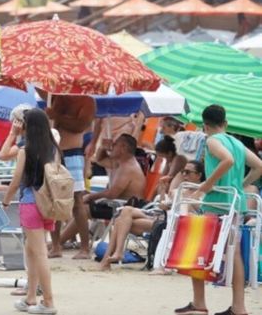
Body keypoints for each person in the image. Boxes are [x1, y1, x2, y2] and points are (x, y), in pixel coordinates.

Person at [175, 105, 262, 315]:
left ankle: (199, 302)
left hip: (216, 203)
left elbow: (227, 160)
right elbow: (259, 166)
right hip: (235, 204)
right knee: (234, 253)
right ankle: (239, 307)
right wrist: (240, 185)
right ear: (225, 123)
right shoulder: (237, 143)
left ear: (205, 126)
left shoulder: (212, 140)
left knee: (198, 248)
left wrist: (206, 186)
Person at [98, 160, 205, 271]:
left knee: (121, 220)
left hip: (173, 225)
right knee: (125, 212)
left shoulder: (202, 193)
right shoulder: (177, 191)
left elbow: (197, 212)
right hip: (161, 219)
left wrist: (185, 199)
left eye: (188, 172)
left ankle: (108, 259)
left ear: (198, 175)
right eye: (183, 172)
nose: (184, 175)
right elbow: (163, 207)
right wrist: (163, 190)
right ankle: (117, 253)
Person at [1, 108, 58, 314]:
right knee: (32, 250)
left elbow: (16, 180)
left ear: (28, 127)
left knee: (39, 252)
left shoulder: (25, 150)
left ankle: (48, 301)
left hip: (30, 203)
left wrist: (6, 201)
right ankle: (30, 297)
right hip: (49, 204)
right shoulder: (53, 149)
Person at [45, 94, 96, 259]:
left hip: (72, 153)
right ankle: (56, 246)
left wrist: (56, 115)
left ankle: (85, 248)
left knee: (77, 202)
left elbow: (80, 126)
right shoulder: (58, 97)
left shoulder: (86, 101)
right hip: (55, 152)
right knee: (54, 201)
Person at [82, 133, 146, 217]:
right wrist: (103, 147)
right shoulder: (120, 163)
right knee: (80, 204)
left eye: (115, 144)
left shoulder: (128, 168)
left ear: (123, 147)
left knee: (83, 209)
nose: (111, 146)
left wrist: (90, 197)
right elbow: (99, 160)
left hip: (127, 208)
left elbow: (112, 194)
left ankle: (82, 226)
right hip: (118, 204)